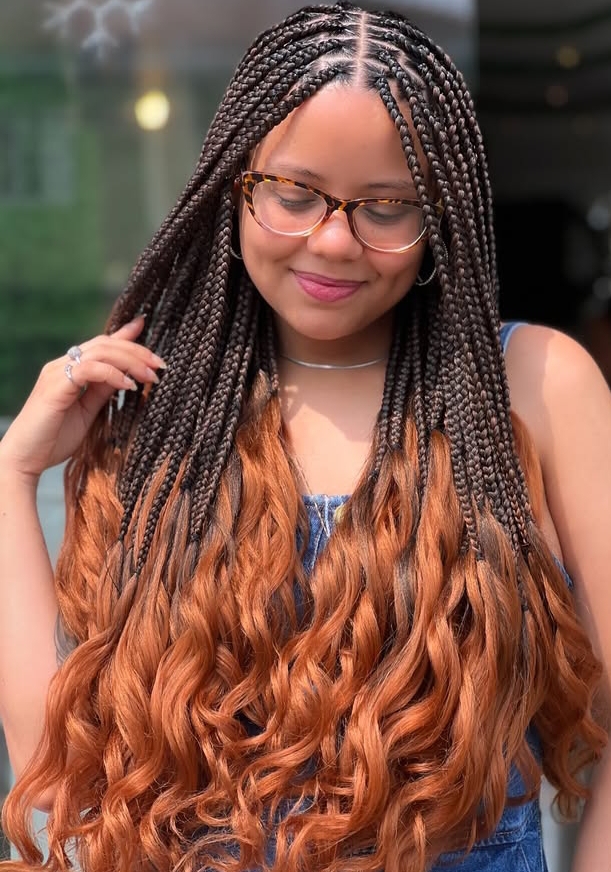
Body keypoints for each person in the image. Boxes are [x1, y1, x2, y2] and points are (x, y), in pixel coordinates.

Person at [0, 3, 610, 871]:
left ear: (439, 216)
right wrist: (12, 473)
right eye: (293, 195)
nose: (331, 242)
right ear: (234, 188)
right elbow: (62, 785)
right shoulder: (167, 410)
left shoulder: (535, 386)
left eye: (386, 208)